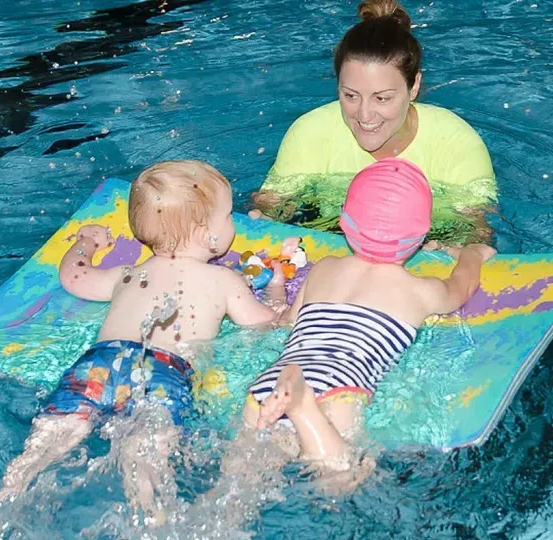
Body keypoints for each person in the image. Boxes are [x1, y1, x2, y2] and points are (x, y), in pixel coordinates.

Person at [0, 160, 282, 521]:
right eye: (228, 215)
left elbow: (74, 277)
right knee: (145, 463)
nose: (234, 223)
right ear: (205, 233)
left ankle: (12, 485)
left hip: (100, 362)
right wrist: (275, 287)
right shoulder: (224, 281)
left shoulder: (128, 274)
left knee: (49, 440)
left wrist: (86, 241)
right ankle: (151, 518)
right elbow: (265, 324)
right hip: (164, 372)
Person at [244, 158, 496, 471]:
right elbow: (463, 286)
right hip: (340, 386)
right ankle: (303, 408)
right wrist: (472, 253)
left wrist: (276, 289)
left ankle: (296, 404)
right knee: (342, 477)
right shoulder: (420, 291)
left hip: (271, 381)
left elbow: (285, 322)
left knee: (247, 474)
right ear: (420, 235)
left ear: (345, 223)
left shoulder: (324, 270)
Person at [250, 0, 496, 243]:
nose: (364, 115)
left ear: (414, 87)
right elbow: (270, 208)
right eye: (350, 95)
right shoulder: (310, 134)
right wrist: (263, 220)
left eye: (382, 98)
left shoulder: (457, 145)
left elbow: (476, 233)